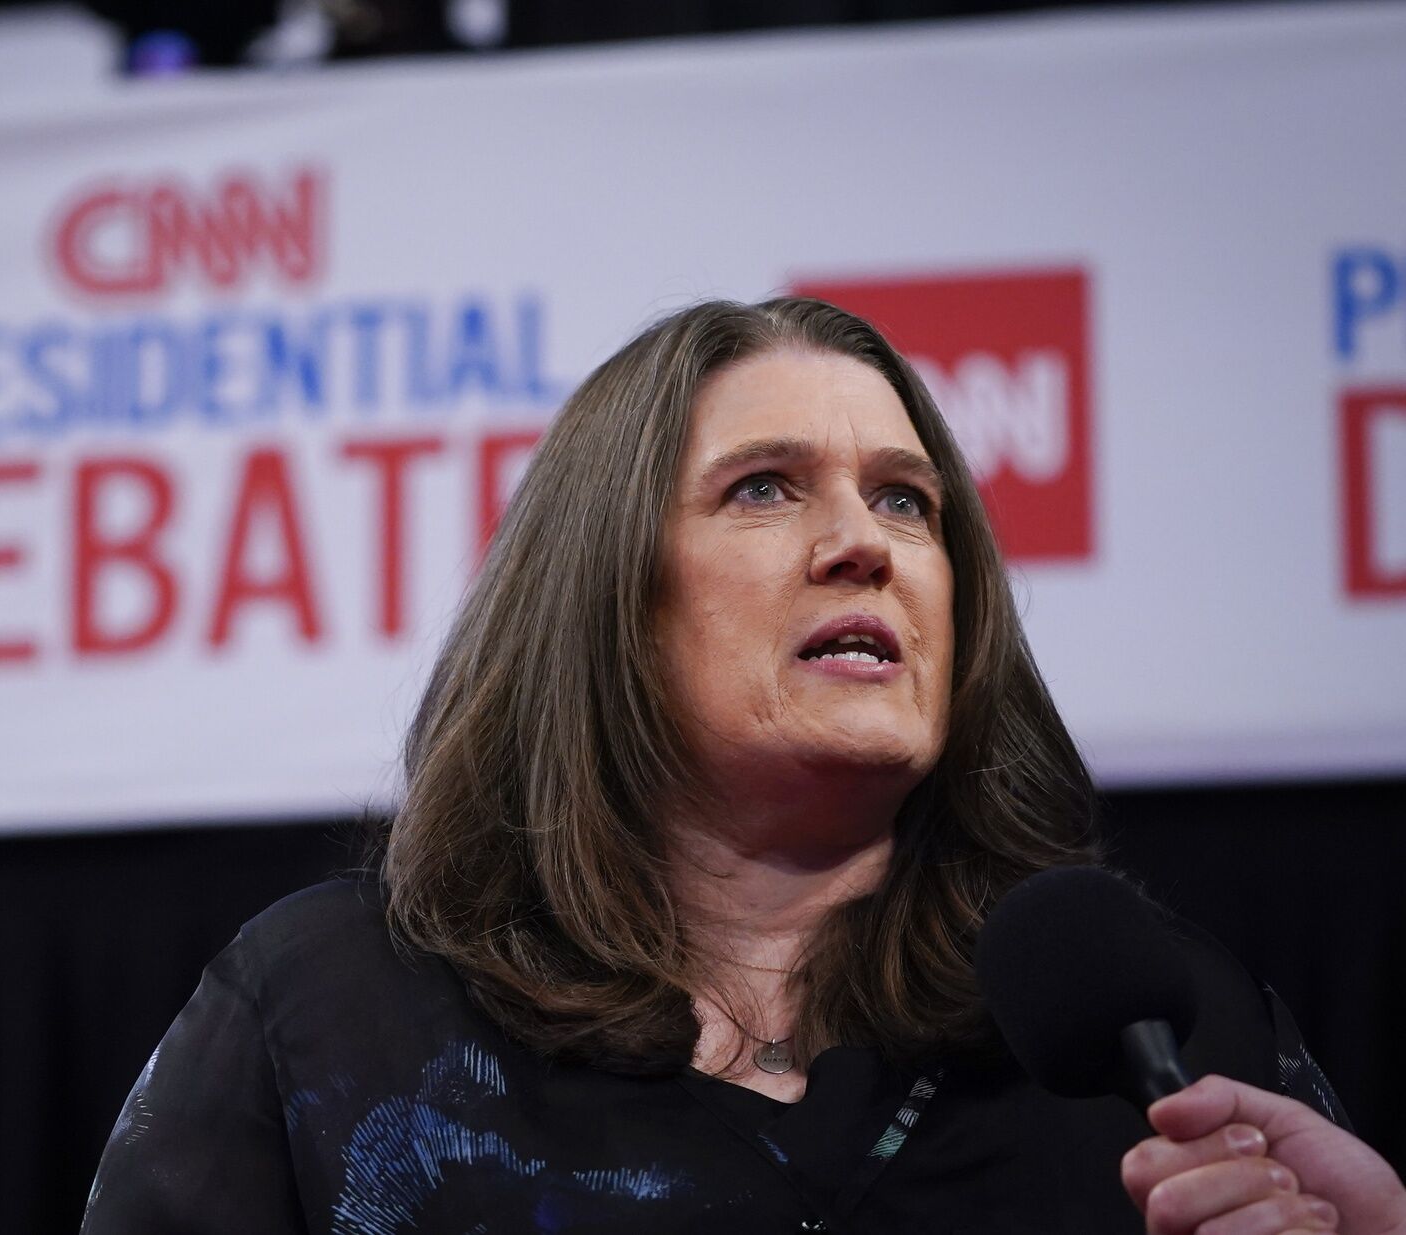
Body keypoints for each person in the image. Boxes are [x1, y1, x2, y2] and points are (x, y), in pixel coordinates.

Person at [80, 298, 1405, 1233]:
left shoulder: (1162, 1043)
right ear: (607, 598)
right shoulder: (329, 1018)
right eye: (765, 488)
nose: (863, 544)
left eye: (907, 501)